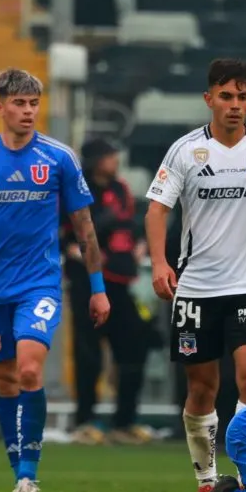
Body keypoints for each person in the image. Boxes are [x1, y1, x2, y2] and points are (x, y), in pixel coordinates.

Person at [0, 68, 110, 492]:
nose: (28, 111)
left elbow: (85, 227)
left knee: (30, 370)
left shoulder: (59, 159)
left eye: (34, 103)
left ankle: (30, 479)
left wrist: (97, 286)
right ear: (0, 107)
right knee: (4, 378)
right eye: (19, 103)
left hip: (41, 284)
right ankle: (19, 473)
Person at [144, 58, 246, 492]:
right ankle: (207, 479)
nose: (234, 106)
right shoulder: (185, 151)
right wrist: (160, 263)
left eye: (243, 97)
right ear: (209, 99)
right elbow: (157, 208)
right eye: (226, 96)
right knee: (202, 390)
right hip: (194, 289)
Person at [67, 138, 150, 445]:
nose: (115, 160)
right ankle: (85, 420)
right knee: (88, 354)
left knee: (133, 348)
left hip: (120, 281)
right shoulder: (78, 189)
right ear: (94, 160)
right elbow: (66, 236)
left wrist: (139, 246)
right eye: (109, 156)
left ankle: (124, 421)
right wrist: (85, 255)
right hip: (87, 285)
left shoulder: (121, 189)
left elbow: (132, 225)